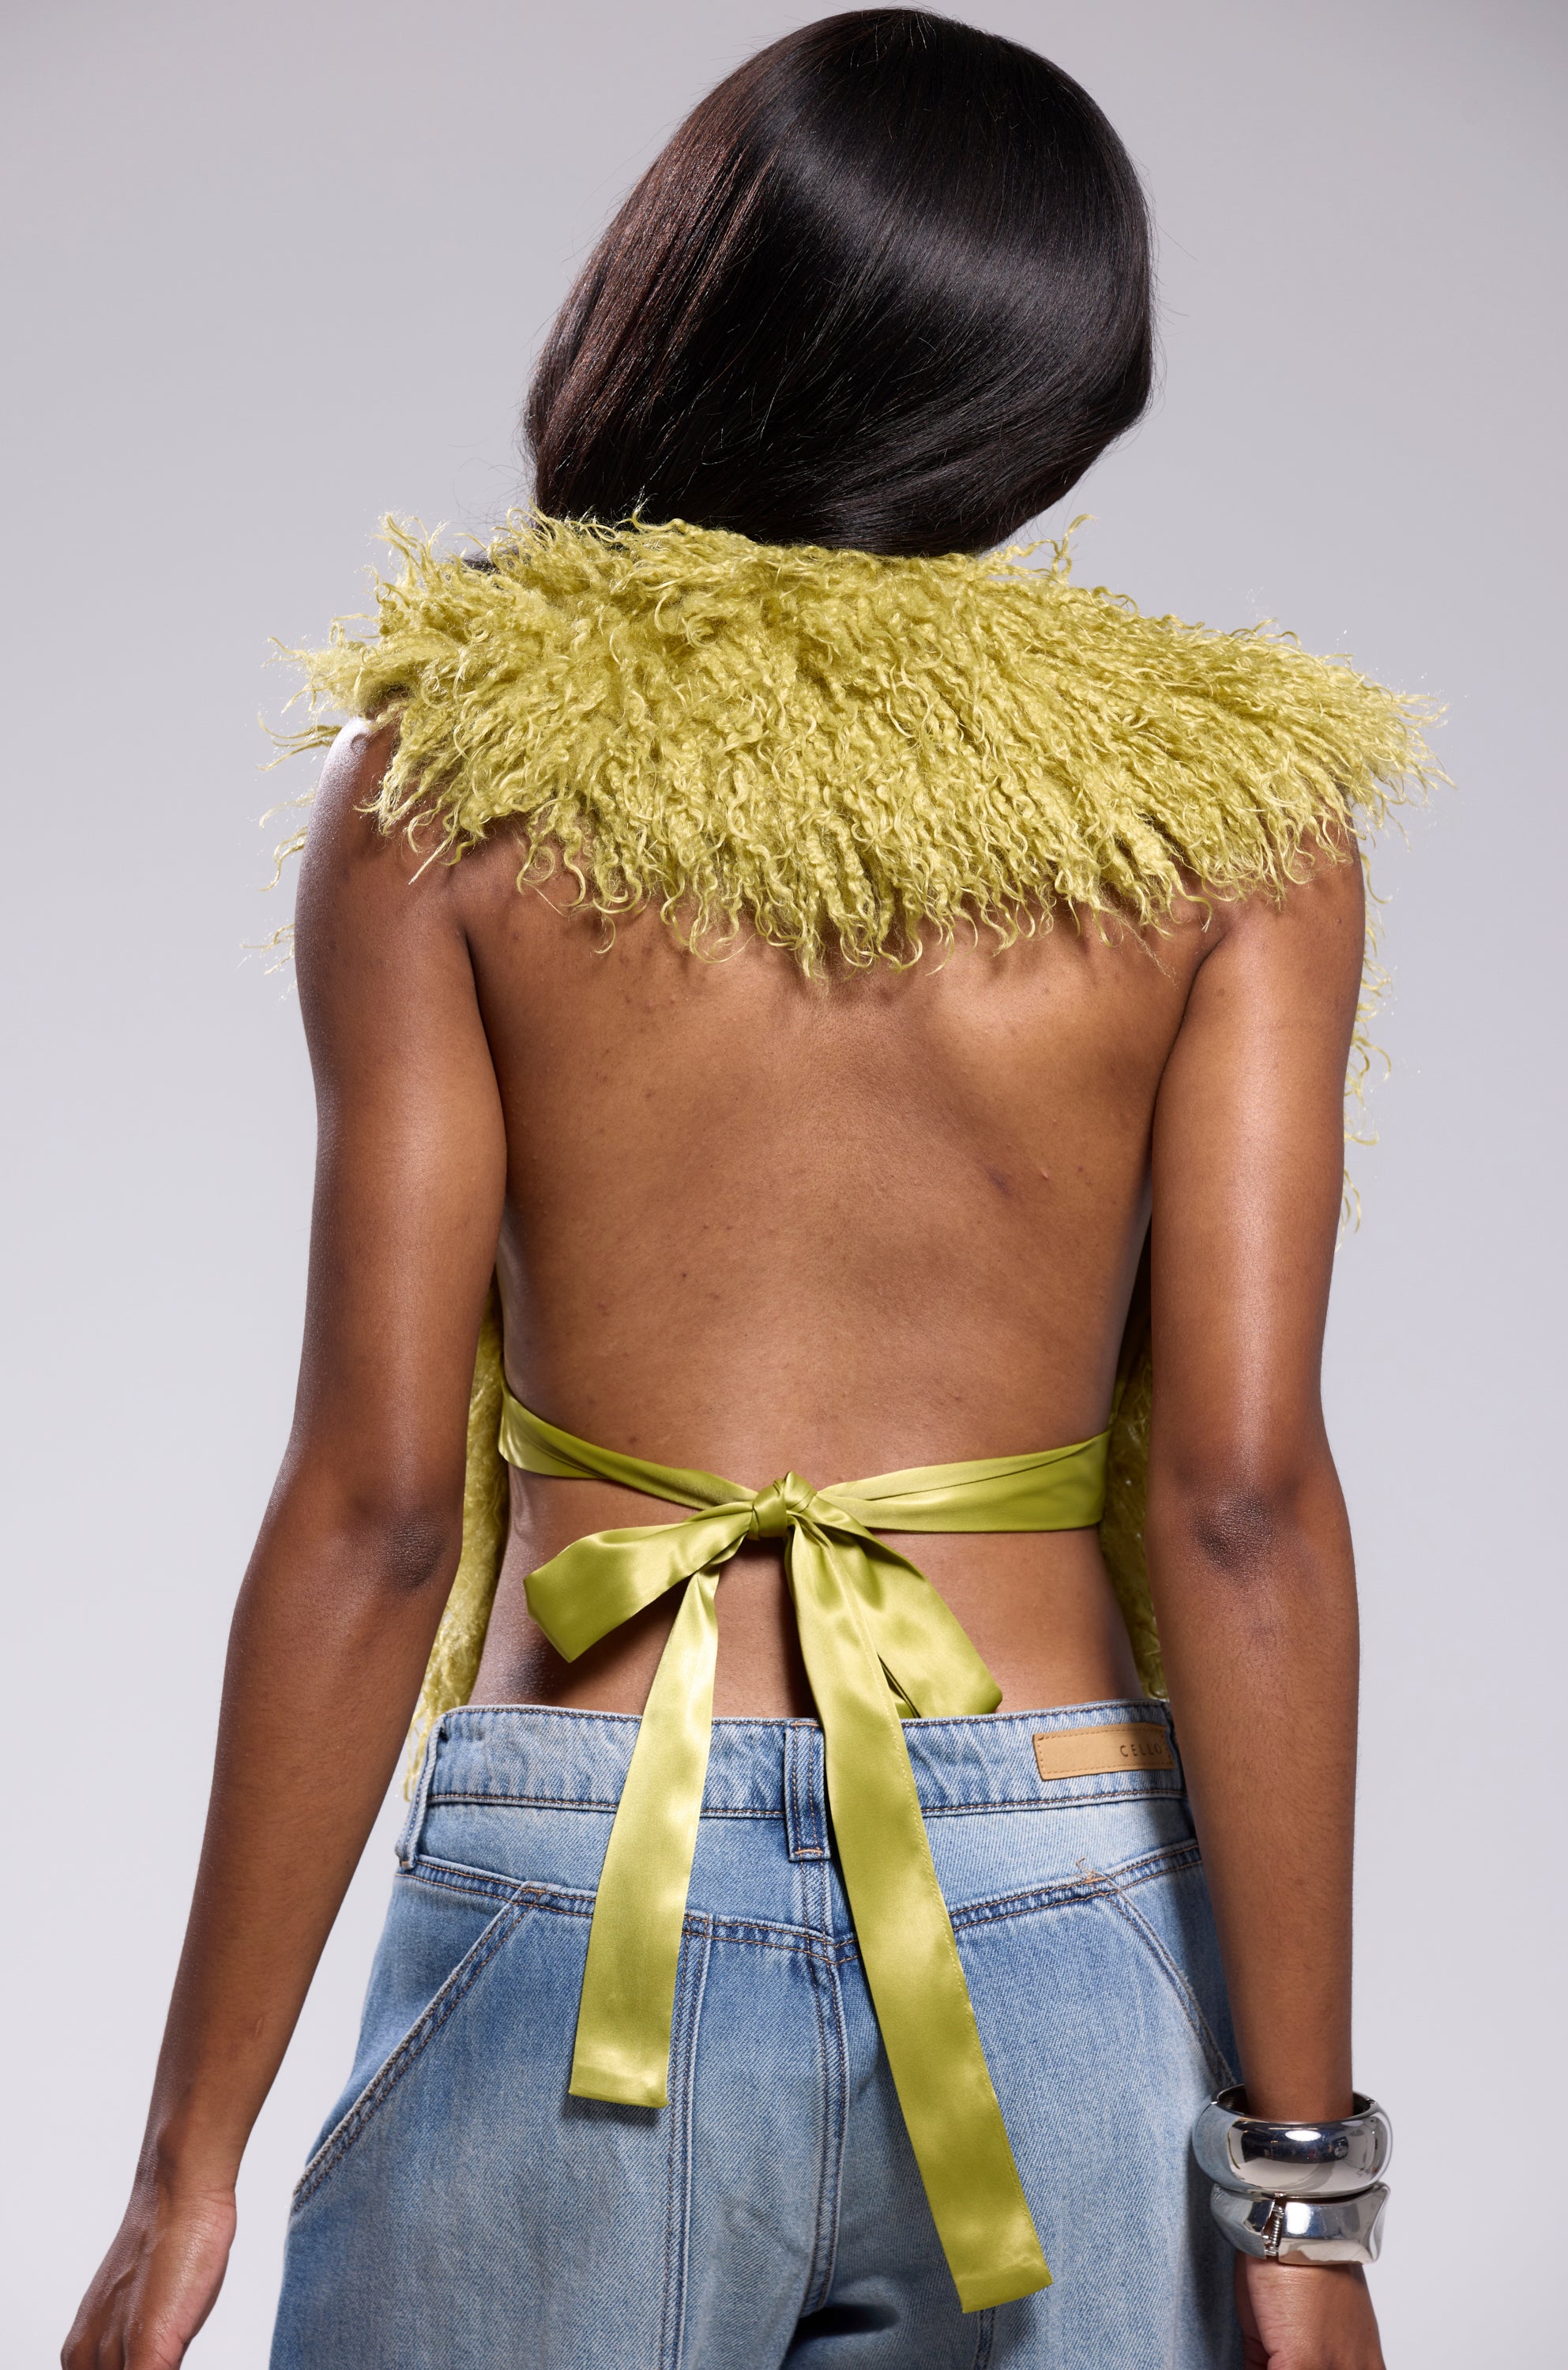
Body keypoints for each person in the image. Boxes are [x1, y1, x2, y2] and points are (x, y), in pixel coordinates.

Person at [66, 13, 1428, 2368]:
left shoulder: (462, 774)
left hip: (576, 1854)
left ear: (690, 303)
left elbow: (377, 1513)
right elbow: (1234, 1503)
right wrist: (1299, 2210)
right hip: (1058, 1910)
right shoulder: (1233, 818)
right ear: (1055, 376)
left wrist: (182, 2183)